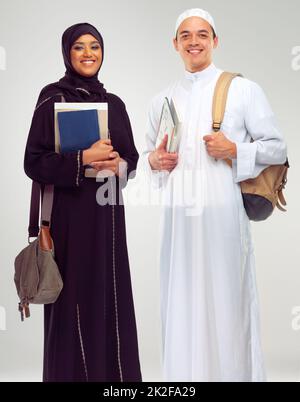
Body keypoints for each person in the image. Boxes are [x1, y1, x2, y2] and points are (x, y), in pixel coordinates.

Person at [141, 9, 287, 382]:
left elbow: (277, 148)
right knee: (182, 305)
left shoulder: (241, 89)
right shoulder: (162, 100)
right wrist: (155, 161)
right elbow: (147, 160)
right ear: (175, 44)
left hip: (224, 219)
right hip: (178, 225)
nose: (194, 41)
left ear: (215, 41)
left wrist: (235, 149)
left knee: (227, 303)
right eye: (186, 35)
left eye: (202, 34)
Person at [24, 23, 141, 382]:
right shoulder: (52, 98)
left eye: (95, 46)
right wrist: (83, 158)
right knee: (72, 302)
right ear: (67, 53)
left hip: (106, 219)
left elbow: (131, 160)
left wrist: (117, 163)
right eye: (79, 47)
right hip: (68, 219)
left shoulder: (114, 104)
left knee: (110, 298)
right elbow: (33, 161)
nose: (89, 54)